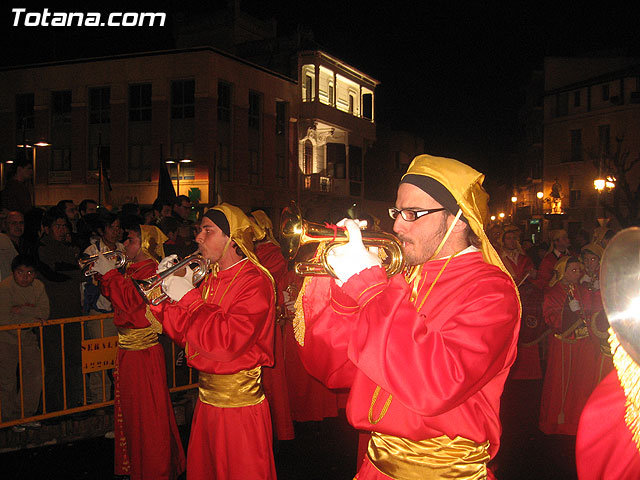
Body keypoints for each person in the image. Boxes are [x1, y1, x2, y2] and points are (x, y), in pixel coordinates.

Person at [295, 154, 521, 478]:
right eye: (397, 212)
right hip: (374, 466)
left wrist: (370, 288)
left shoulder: (492, 290)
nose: (397, 225)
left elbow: (435, 385)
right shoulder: (399, 275)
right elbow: (334, 370)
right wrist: (345, 294)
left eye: (412, 213)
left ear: (457, 218)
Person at [154, 203, 277, 480]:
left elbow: (226, 343)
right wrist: (163, 298)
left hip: (239, 408)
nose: (198, 237)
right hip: (208, 402)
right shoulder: (210, 277)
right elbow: (189, 334)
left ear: (232, 238)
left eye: (207, 230)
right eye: (199, 230)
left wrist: (189, 298)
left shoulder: (255, 281)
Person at [91, 219, 185, 479]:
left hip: (142, 352)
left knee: (147, 415)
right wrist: (105, 275)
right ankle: (140, 464)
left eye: (131, 240)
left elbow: (132, 302)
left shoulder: (152, 270)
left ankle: (154, 468)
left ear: (144, 244)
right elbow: (117, 297)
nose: (124, 244)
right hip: (129, 350)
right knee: (135, 414)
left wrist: (110, 274)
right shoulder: (134, 269)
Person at [538, 256, 601, 435]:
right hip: (564, 345)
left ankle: (577, 419)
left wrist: (595, 292)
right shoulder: (554, 292)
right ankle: (560, 421)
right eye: (573, 270)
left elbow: (593, 311)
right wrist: (567, 311)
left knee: (581, 383)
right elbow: (550, 317)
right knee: (561, 383)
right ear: (563, 272)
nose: (577, 273)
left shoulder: (583, 290)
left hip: (583, 343)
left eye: (578, 270)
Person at [251, 209, 295, 442]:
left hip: (270, 318)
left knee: (272, 379)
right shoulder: (256, 253)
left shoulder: (274, 253)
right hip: (263, 318)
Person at [38, 206, 83, 411]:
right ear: (46, 228)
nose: (62, 229)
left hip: (73, 313)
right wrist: (79, 271)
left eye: (64, 225)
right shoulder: (42, 248)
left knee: (74, 361)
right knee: (54, 364)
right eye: (57, 226)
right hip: (53, 315)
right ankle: (54, 407)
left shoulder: (67, 248)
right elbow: (55, 272)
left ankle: (73, 404)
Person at [80, 212, 125, 404]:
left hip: (120, 312)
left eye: (118, 228)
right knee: (98, 359)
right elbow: (85, 276)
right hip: (99, 311)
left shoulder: (124, 249)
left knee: (120, 359)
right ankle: (100, 400)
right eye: (111, 228)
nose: (116, 232)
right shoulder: (91, 250)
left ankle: (119, 398)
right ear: (102, 230)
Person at [0, 254, 49, 427]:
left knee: (35, 375)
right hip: (6, 339)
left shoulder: (38, 286)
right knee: (7, 380)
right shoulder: (5, 287)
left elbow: (45, 312)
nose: (25, 277)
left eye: (30, 273)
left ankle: (26, 414)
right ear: (14, 272)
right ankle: (8, 418)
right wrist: (32, 313)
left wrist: (21, 310)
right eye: (20, 272)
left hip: (27, 336)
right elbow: (4, 318)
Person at [0, 211, 23, 280]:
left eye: (21, 223)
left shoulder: (28, 245)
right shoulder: (3, 244)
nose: (18, 226)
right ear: (5, 225)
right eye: (14, 223)